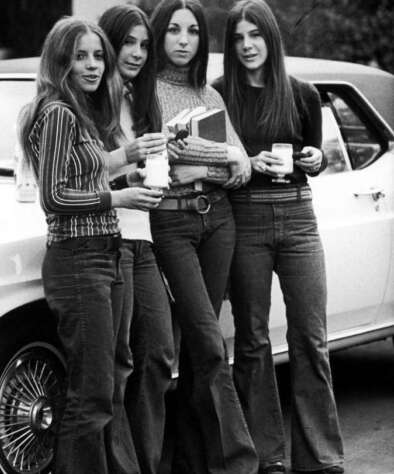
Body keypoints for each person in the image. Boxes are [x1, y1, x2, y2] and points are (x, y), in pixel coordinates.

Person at [18, 16, 162, 474]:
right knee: (92, 393)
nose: (93, 65)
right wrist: (119, 195)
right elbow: (54, 196)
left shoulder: (79, 112)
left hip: (106, 253)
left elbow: (81, 177)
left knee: (106, 384)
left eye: (98, 55)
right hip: (79, 261)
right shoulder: (58, 111)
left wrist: (125, 175)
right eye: (80, 56)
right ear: (60, 60)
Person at [213, 1, 344, 473]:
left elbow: (316, 154)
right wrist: (245, 166)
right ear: (230, 45)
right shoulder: (218, 95)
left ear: (271, 38)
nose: (248, 46)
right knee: (252, 341)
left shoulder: (303, 94)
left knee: (311, 337)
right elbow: (212, 166)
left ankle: (322, 460)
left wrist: (314, 159)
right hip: (245, 218)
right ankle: (268, 459)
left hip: (298, 217)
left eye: (256, 35)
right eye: (239, 38)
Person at [147, 0, 259, 472]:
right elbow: (160, 158)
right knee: (210, 341)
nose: (183, 39)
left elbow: (242, 167)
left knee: (200, 349)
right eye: (173, 30)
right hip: (171, 224)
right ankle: (237, 463)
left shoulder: (211, 96)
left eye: (192, 31)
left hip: (219, 222)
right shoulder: (144, 92)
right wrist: (220, 158)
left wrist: (218, 161)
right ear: (160, 35)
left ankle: (191, 462)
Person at [98, 5, 175, 474]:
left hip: (143, 239)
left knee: (160, 353)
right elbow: (77, 175)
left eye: (144, 45)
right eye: (128, 42)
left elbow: (139, 168)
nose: (138, 53)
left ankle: (145, 461)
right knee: (117, 365)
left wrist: (157, 166)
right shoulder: (90, 100)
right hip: (109, 238)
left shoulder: (138, 101)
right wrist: (128, 167)